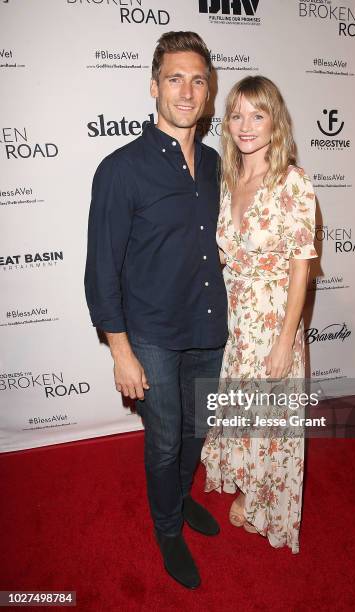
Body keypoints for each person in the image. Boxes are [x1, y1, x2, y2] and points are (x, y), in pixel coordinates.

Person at [84, 31, 228, 589]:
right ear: (154, 87)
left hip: (207, 325)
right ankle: (167, 527)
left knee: (197, 427)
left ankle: (182, 495)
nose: (187, 91)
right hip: (150, 332)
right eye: (175, 79)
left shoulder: (217, 165)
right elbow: (101, 270)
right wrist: (120, 351)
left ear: (209, 89)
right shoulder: (120, 169)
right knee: (165, 437)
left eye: (197, 79)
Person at [201, 75, 318, 554]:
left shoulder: (292, 182)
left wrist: (285, 339)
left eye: (257, 114)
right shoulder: (229, 180)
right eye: (236, 115)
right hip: (236, 320)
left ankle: (264, 498)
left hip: (272, 322)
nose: (245, 125)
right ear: (226, 123)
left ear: (275, 122)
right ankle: (248, 481)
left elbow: (300, 266)